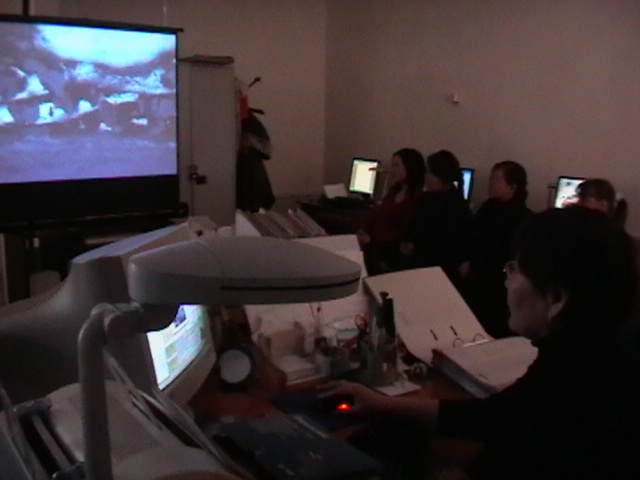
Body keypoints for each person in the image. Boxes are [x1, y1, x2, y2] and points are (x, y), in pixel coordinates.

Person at [323, 207, 640, 480]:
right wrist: (384, 404)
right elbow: (496, 415)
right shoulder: (588, 353)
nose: (507, 279)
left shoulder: (574, 389)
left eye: (515, 269)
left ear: (556, 299)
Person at [459, 160, 532, 338]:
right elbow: (471, 236)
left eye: (496, 179)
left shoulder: (522, 218)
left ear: (512, 187)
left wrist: (475, 264)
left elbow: (505, 253)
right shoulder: (488, 207)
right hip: (475, 277)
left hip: (497, 286)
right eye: (491, 178)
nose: (490, 183)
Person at [400, 149, 471, 278]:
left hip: (438, 269)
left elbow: (447, 246)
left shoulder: (456, 207)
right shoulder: (425, 198)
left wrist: (416, 247)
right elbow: (412, 226)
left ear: (443, 177)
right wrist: (407, 241)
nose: (426, 177)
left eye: (431, 174)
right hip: (417, 261)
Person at [356, 148, 426, 275]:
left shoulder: (417, 198)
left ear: (409, 168)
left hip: (388, 251)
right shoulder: (393, 191)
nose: (392, 170)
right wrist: (363, 230)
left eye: (396, 165)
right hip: (374, 246)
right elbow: (379, 215)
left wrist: (371, 240)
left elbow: (403, 232)